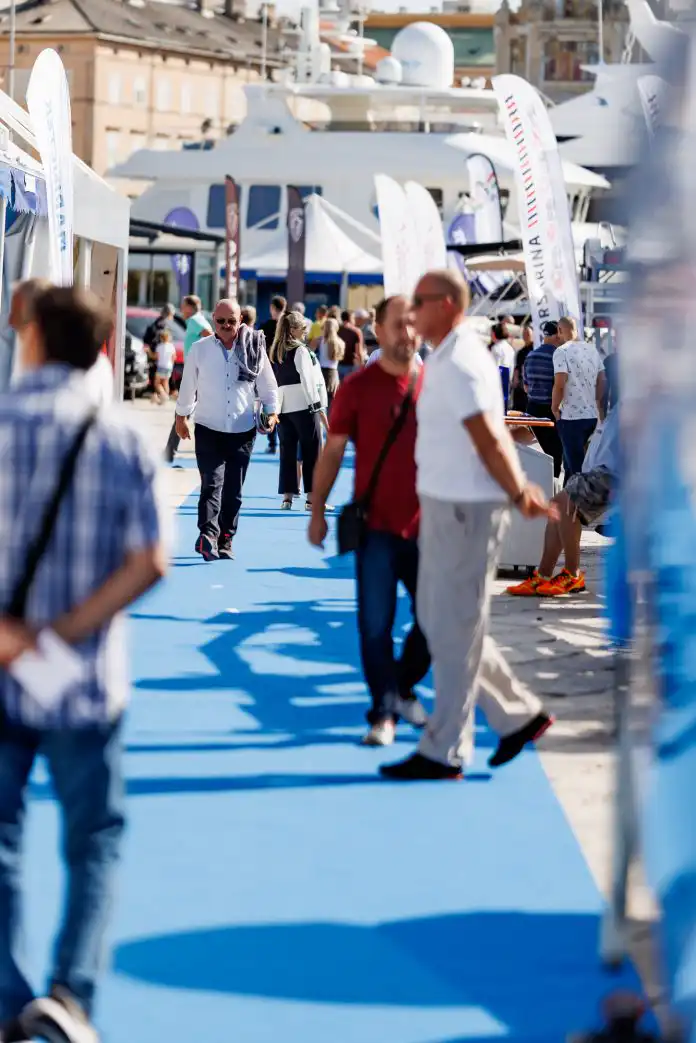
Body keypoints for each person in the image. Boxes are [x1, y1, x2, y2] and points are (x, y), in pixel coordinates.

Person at [0, 284, 167, 1042]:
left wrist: (14, 637)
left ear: (32, 337)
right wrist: (66, 630)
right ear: (101, 348)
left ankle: (6, 994)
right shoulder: (122, 435)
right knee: (94, 836)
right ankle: (72, 992)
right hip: (86, 674)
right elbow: (151, 560)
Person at [380, 270, 555, 781]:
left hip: (465, 508)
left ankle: (444, 749)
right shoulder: (446, 355)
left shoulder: (459, 361)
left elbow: (488, 435)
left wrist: (519, 490)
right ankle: (518, 715)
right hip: (445, 503)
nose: (411, 311)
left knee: (453, 628)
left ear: (448, 304)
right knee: (442, 622)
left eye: (421, 302)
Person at [308, 295, 430, 745]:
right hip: (376, 527)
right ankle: (382, 711)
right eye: (398, 324)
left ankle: (401, 685)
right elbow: (334, 451)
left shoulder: (435, 385)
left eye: (413, 324)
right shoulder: (358, 388)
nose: (408, 333)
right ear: (378, 329)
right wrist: (317, 510)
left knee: (434, 618)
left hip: (430, 527)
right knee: (375, 624)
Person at [175, 298, 279, 561]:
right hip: (208, 427)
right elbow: (188, 386)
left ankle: (225, 539)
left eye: (231, 321)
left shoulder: (254, 346)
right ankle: (207, 537)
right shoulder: (200, 349)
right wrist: (181, 416)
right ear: (213, 320)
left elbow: (268, 385)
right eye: (220, 321)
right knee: (211, 484)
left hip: (243, 430)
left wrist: (272, 411)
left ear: (240, 320)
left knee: (233, 490)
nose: (226, 326)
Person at [507, 403, 618, 597]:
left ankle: (572, 574)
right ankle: (544, 575)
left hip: (613, 473)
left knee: (565, 504)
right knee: (558, 505)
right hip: (601, 468)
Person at [271, 310, 327, 510]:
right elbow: (308, 380)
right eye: (303, 329)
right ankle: (312, 499)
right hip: (304, 405)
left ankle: (287, 498)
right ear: (293, 329)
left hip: (283, 406)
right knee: (312, 451)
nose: (305, 333)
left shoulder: (276, 349)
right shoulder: (300, 351)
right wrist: (318, 407)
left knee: (287, 452)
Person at [553, 316, 607, 481]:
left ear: (560, 330)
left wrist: (554, 408)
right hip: (590, 416)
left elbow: (560, 383)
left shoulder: (561, 351)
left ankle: (578, 504)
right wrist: (597, 403)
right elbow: (602, 379)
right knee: (573, 467)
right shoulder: (592, 349)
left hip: (571, 417)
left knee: (575, 469)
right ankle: (569, 504)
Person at [164, 296, 212, 462]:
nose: (181, 309)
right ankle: (170, 450)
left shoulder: (194, 320)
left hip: (195, 372)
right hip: (197, 370)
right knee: (187, 409)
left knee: (183, 409)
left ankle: (170, 451)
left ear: (191, 308)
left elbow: (211, 336)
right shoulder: (199, 320)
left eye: (183, 306)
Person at [523, 320, 565, 479]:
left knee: (542, 454)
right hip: (551, 410)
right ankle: (552, 488)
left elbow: (526, 386)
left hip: (533, 410)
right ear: (556, 337)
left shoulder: (530, 356)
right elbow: (560, 386)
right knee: (555, 453)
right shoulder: (558, 357)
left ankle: (544, 485)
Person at [260, 296, 286, 456]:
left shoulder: (267, 326)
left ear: (272, 308)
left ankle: (272, 442)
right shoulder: (288, 326)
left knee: (269, 403)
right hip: (285, 369)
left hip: (270, 367)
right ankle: (284, 440)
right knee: (284, 405)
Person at [317, 316, 344, 410]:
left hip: (321, 372)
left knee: (321, 402)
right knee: (331, 401)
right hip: (333, 373)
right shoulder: (339, 342)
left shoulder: (320, 340)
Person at [511, 320, 534, 413]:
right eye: (524, 333)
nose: (525, 336)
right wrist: (515, 381)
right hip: (521, 385)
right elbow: (517, 368)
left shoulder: (535, 350)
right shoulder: (521, 352)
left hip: (532, 386)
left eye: (528, 333)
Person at [337, 310, 364, 382]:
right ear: (350, 318)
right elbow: (359, 352)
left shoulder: (337, 330)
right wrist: (362, 366)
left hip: (337, 365)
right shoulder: (356, 331)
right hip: (351, 366)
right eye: (353, 318)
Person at [153, 329, 175, 405]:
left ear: (161, 338)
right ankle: (165, 399)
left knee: (157, 383)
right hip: (169, 367)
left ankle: (164, 395)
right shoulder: (171, 346)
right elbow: (173, 357)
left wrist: (149, 352)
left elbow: (156, 357)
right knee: (166, 382)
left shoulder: (159, 346)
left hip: (161, 366)